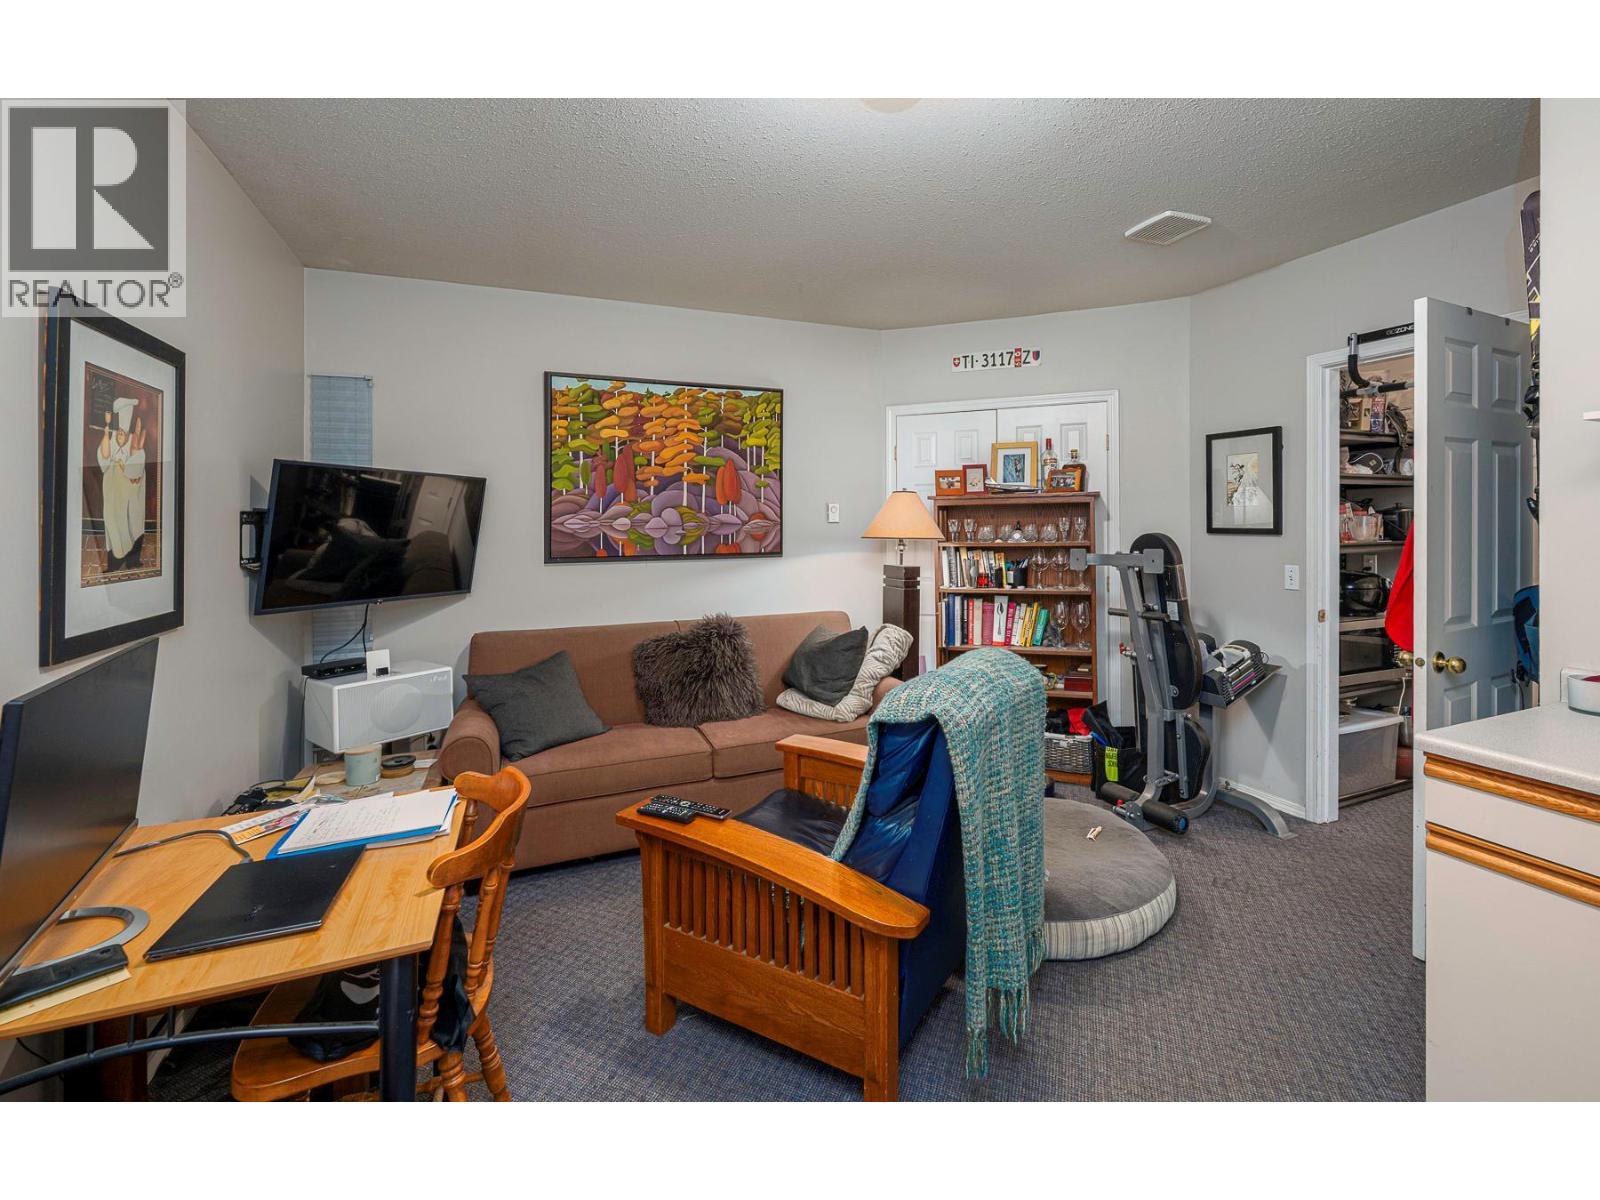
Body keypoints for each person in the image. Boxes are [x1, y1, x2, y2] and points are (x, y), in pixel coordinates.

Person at [97, 396, 148, 574]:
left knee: (132, 524)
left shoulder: (135, 444)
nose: (121, 435)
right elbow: (103, 458)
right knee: (113, 524)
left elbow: (137, 467)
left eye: (124, 433)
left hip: (130, 495)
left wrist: (129, 465)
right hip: (113, 495)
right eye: (118, 431)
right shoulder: (111, 440)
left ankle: (132, 562)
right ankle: (114, 564)